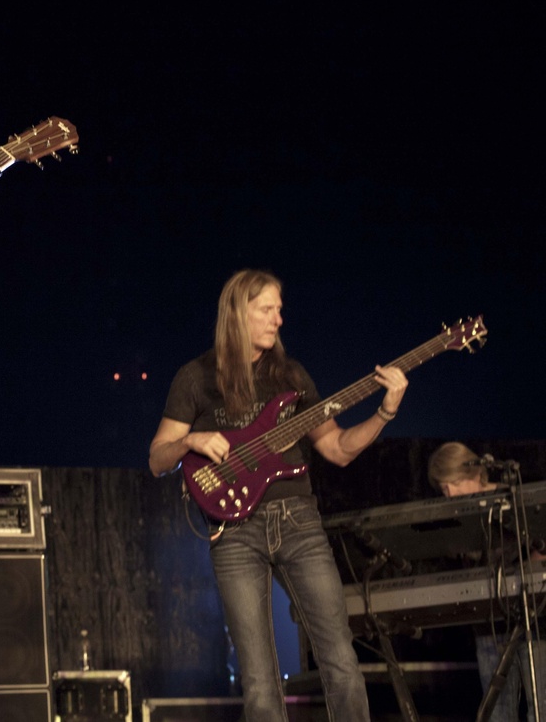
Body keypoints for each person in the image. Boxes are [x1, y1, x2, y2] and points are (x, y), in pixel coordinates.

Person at [148, 268, 408, 721]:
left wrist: (385, 413)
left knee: (341, 661)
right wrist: (190, 442)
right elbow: (156, 458)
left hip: (299, 522)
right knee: (259, 680)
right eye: (267, 309)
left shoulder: (292, 376)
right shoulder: (195, 377)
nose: (278, 319)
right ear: (237, 313)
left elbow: (337, 449)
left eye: (280, 309)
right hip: (233, 535)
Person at [428, 442, 546, 722]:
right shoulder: (458, 515)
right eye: (443, 489)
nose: (449, 495)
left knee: (541, 706)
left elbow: (541, 551)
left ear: (472, 473)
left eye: (452, 484)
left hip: (535, 623)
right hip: (488, 625)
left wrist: (529, 569)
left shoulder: (515, 499)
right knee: (497, 713)